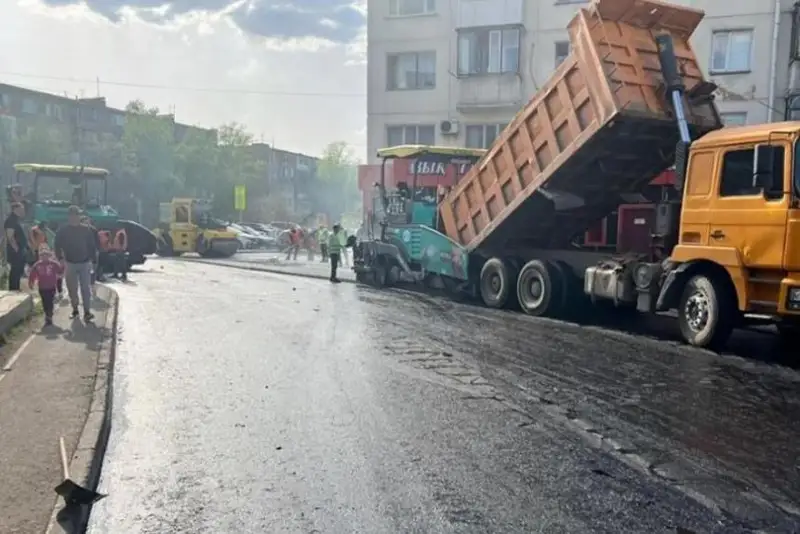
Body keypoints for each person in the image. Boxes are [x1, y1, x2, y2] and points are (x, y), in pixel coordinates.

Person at [55, 206, 97, 321]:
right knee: (72, 288)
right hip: (70, 263)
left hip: (84, 262)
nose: (75, 217)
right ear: (69, 216)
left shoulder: (86, 229)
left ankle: (87, 312)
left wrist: (93, 261)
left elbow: (92, 246)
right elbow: (57, 244)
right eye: (73, 215)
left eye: (77, 215)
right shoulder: (63, 230)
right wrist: (60, 258)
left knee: (85, 289)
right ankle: (75, 310)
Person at [28, 245, 63, 326]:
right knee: (44, 301)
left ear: (49, 255)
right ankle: (47, 314)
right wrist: (31, 283)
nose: (44, 257)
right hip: (42, 287)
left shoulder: (54, 264)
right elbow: (32, 274)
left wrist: (61, 274)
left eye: (46, 255)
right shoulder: (37, 265)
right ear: (40, 256)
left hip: (51, 287)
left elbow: (60, 270)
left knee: (50, 301)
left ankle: (49, 316)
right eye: (42, 255)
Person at [4, 202, 28, 291]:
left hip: (20, 249)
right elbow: (10, 236)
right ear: (16, 209)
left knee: (18, 270)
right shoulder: (11, 220)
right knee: (15, 270)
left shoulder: (17, 220)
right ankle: (13, 289)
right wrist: (16, 248)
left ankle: (16, 288)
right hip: (15, 250)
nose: (23, 211)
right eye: (22, 209)